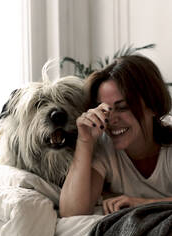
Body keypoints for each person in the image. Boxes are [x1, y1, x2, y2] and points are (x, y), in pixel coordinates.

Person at [59, 54, 172, 217]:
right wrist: (85, 141)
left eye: (123, 107)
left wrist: (143, 203)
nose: (110, 119)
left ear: (152, 106)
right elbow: (72, 213)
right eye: (103, 109)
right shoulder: (105, 148)